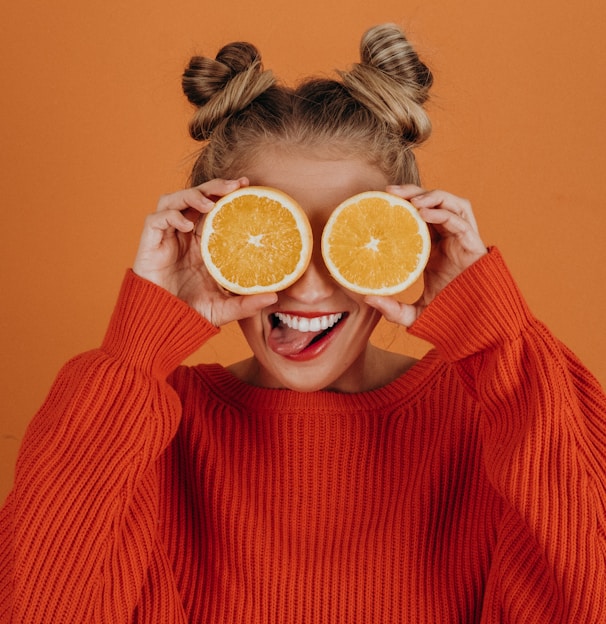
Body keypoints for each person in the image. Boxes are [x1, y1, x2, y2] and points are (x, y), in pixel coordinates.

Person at [1, 22, 605, 623]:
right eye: (271, 238)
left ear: (410, 240)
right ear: (209, 241)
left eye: (349, 236)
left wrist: (498, 339)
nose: (310, 287)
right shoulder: (140, 430)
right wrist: (134, 352)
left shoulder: (500, 418)